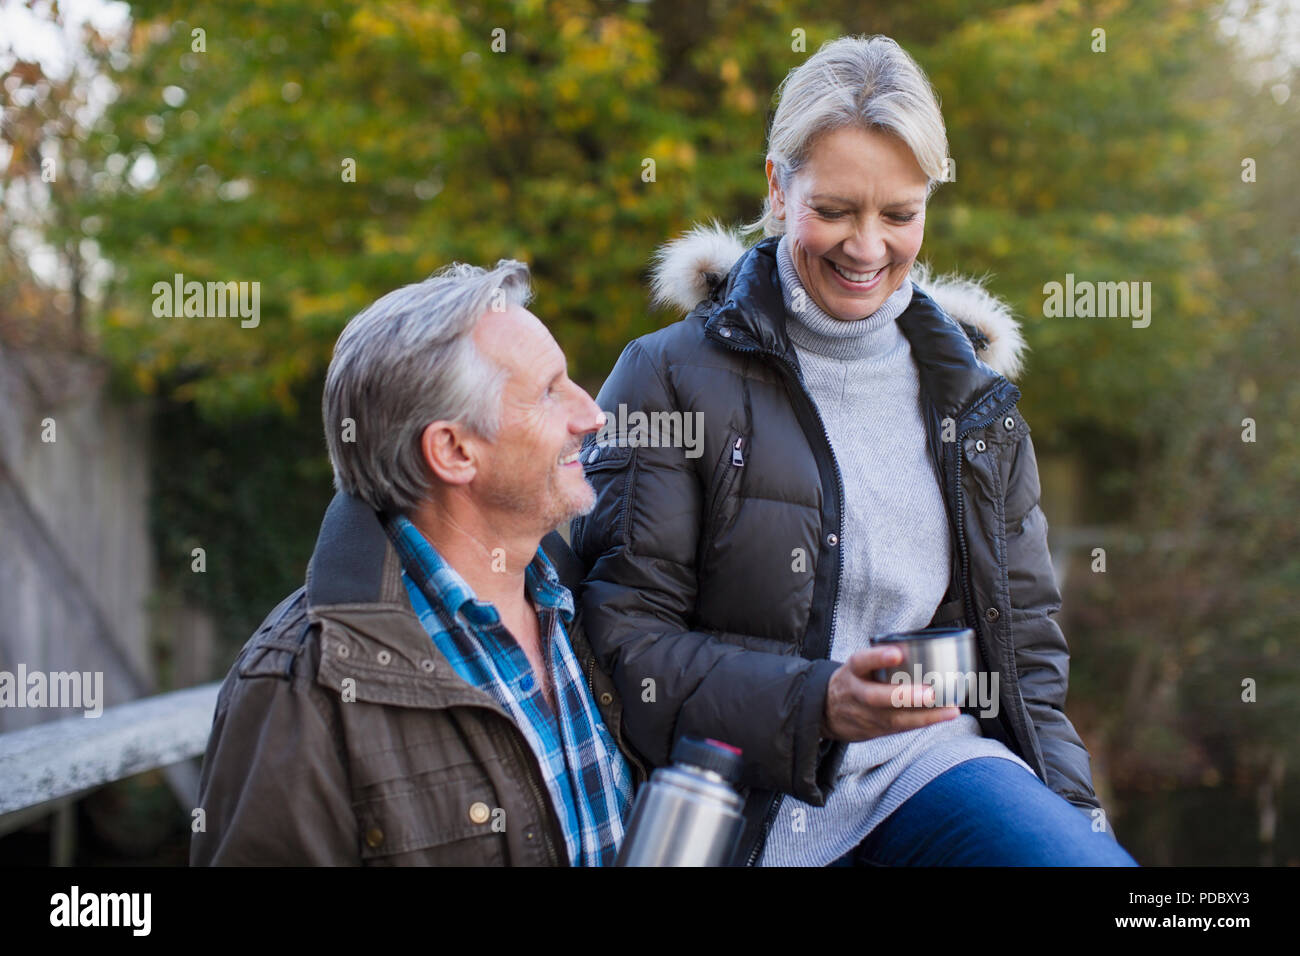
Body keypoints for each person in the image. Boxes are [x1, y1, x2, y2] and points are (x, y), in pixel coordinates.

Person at [572, 34, 1138, 866]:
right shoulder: (665, 377)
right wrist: (821, 705)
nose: (867, 248)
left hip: (929, 774)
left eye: (899, 215)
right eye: (834, 210)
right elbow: (623, 648)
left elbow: (1027, 662)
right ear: (777, 186)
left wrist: (1079, 833)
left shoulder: (974, 401)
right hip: (730, 804)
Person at [192, 259, 646, 866]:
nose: (592, 414)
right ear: (454, 451)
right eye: (547, 391)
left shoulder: (585, 604)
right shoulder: (299, 690)